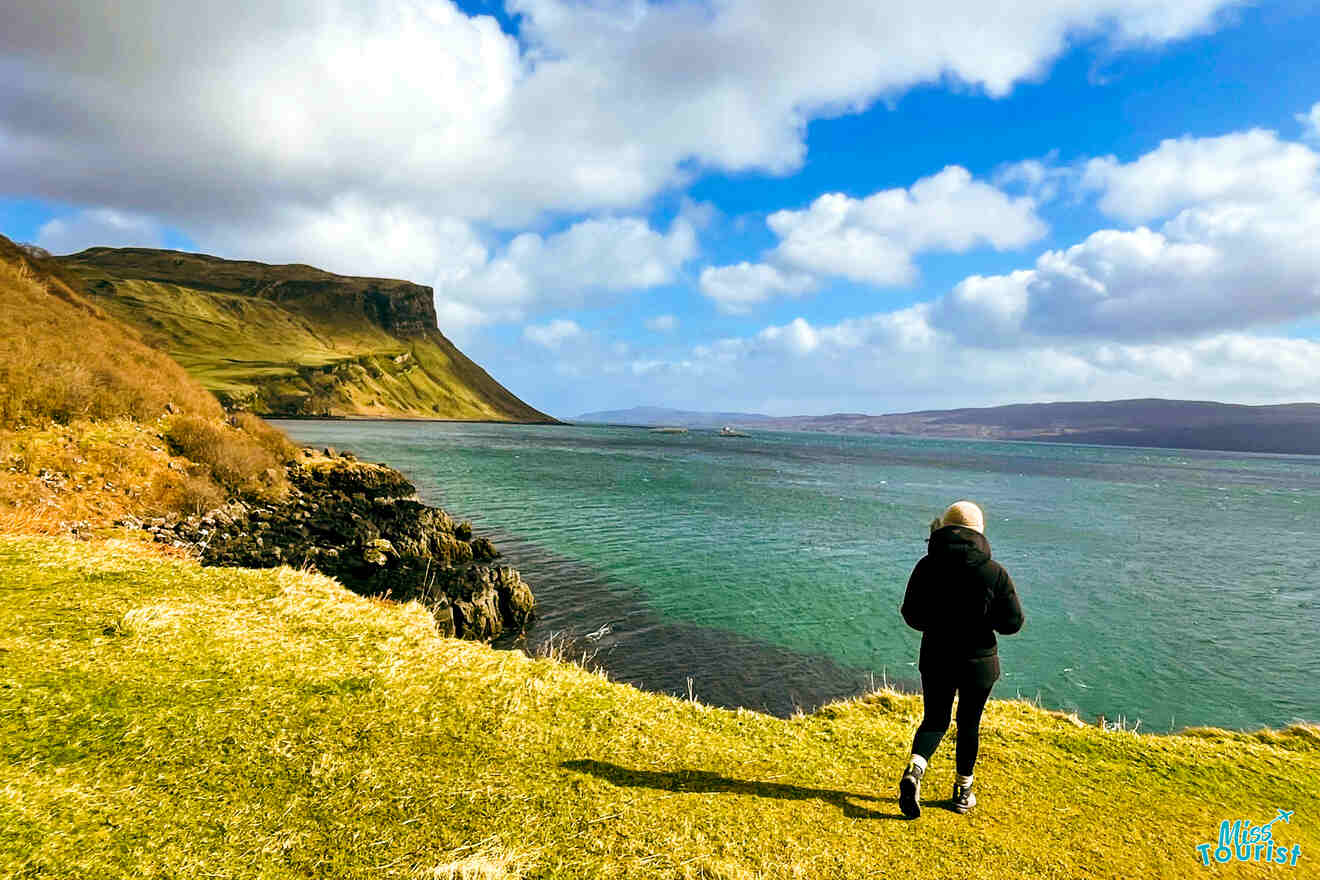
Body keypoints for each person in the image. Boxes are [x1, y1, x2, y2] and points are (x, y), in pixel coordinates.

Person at [897, 500, 1024, 818]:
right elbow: (1013, 623)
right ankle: (962, 791)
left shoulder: (926, 566)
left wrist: (938, 623)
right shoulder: (994, 573)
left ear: (943, 527)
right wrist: (983, 616)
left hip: (936, 655)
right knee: (969, 723)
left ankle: (914, 771)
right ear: (979, 531)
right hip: (979, 662)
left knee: (935, 719)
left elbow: (911, 614)